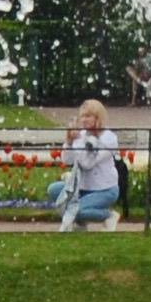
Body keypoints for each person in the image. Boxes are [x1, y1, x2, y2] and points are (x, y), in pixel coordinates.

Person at [56, 97, 125, 230]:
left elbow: (88, 163)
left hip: (104, 189)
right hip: (83, 186)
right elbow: (67, 160)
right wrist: (69, 141)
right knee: (54, 190)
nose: (83, 120)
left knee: (75, 209)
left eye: (88, 116)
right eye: (82, 116)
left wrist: (79, 140)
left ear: (97, 117)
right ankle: (81, 224)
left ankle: (109, 216)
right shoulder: (81, 134)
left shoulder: (108, 138)